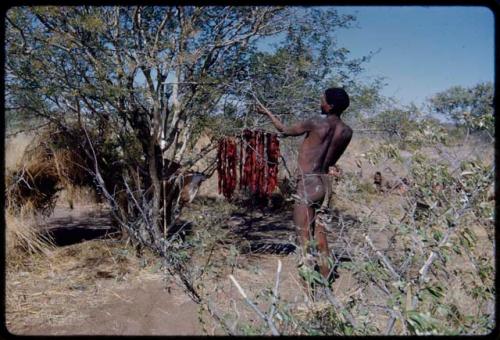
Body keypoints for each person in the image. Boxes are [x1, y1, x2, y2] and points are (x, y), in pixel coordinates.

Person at [257, 88, 353, 282]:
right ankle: (326, 282)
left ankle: (309, 294)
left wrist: (267, 113)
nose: (320, 102)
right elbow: (331, 161)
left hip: (308, 184)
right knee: (320, 235)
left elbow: (284, 130)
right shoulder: (346, 131)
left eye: (323, 100)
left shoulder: (316, 122)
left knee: (304, 241)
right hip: (325, 185)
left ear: (330, 105)